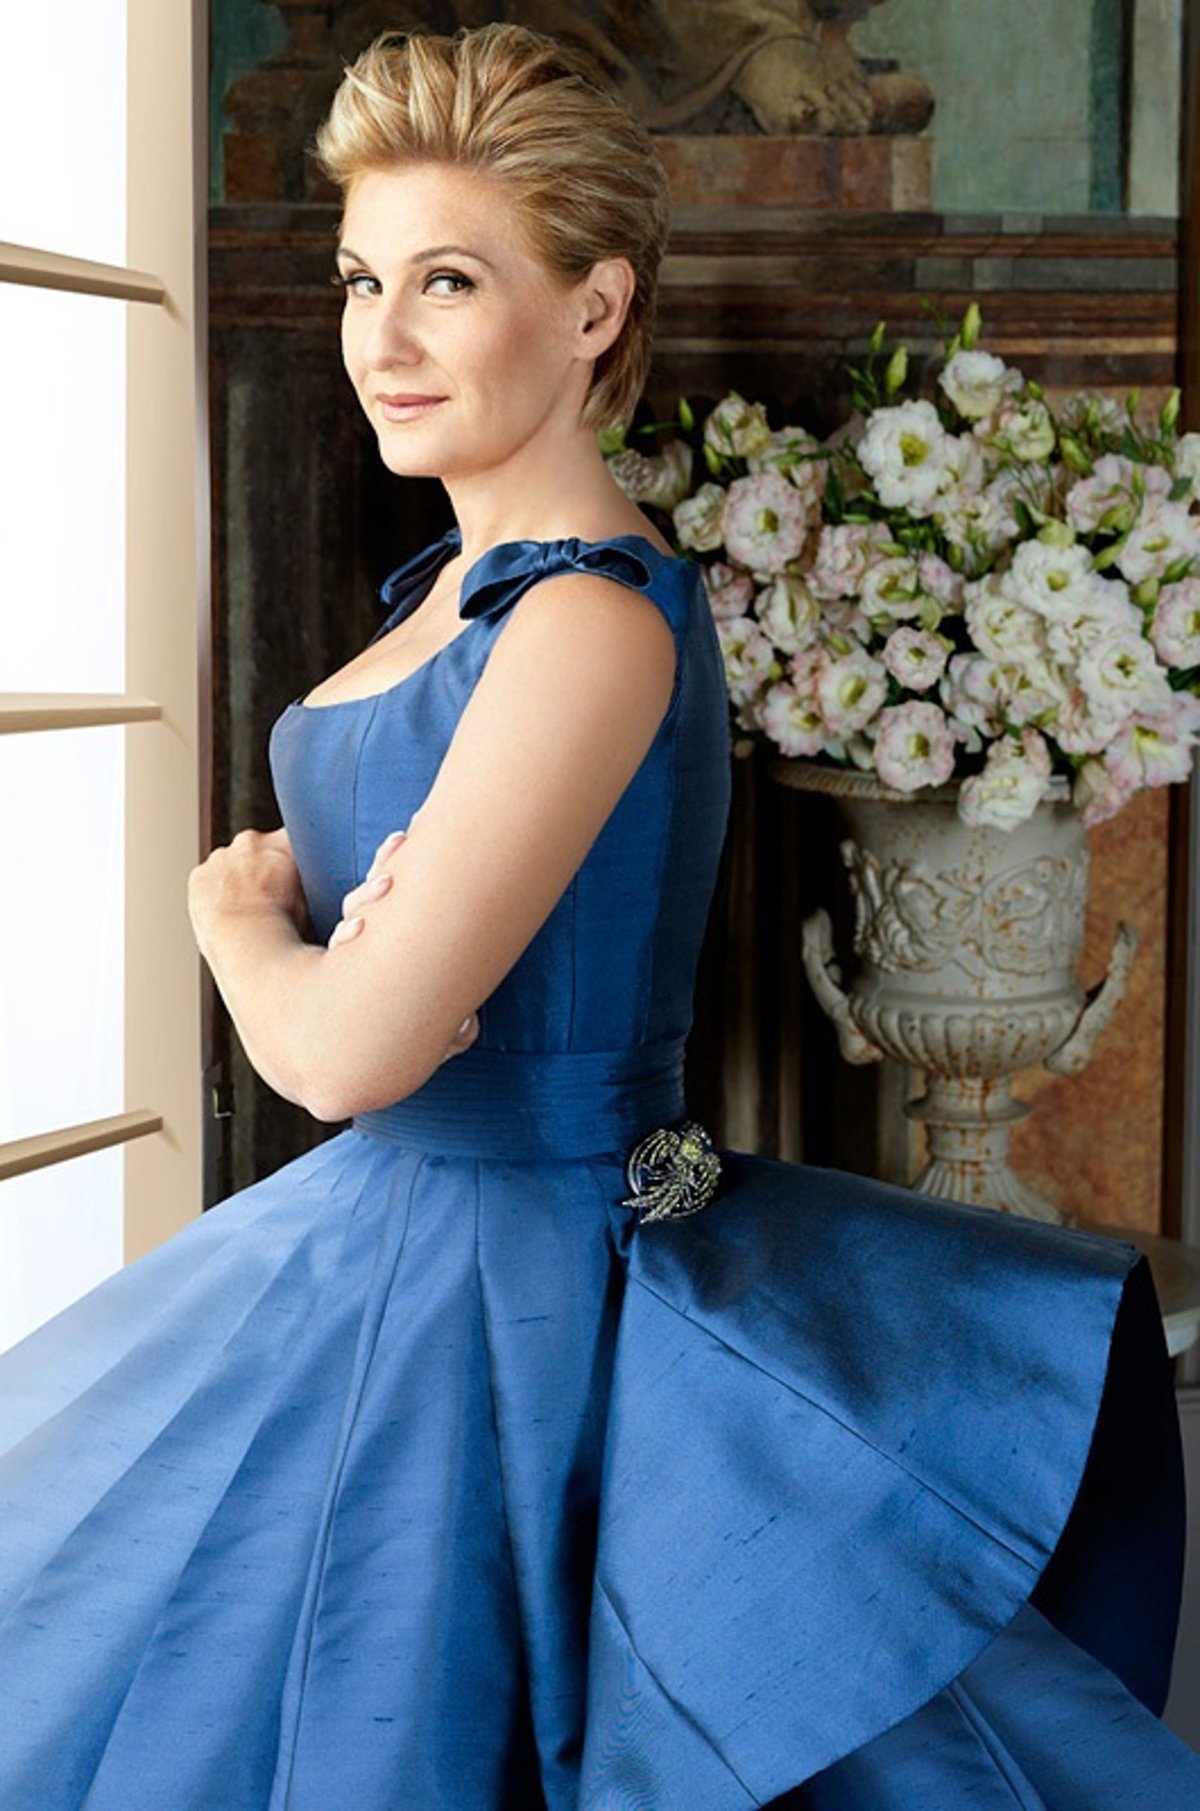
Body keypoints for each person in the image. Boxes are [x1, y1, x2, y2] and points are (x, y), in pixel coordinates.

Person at [0, 20, 1197, 1810]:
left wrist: (239, 920)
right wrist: (336, 969)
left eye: (449, 281)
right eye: (360, 282)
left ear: (593, 308)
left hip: (526, 1290)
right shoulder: (450, 597)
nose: (381, 339)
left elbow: (347, 1055)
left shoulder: (587, 622)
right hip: (373, 1255)